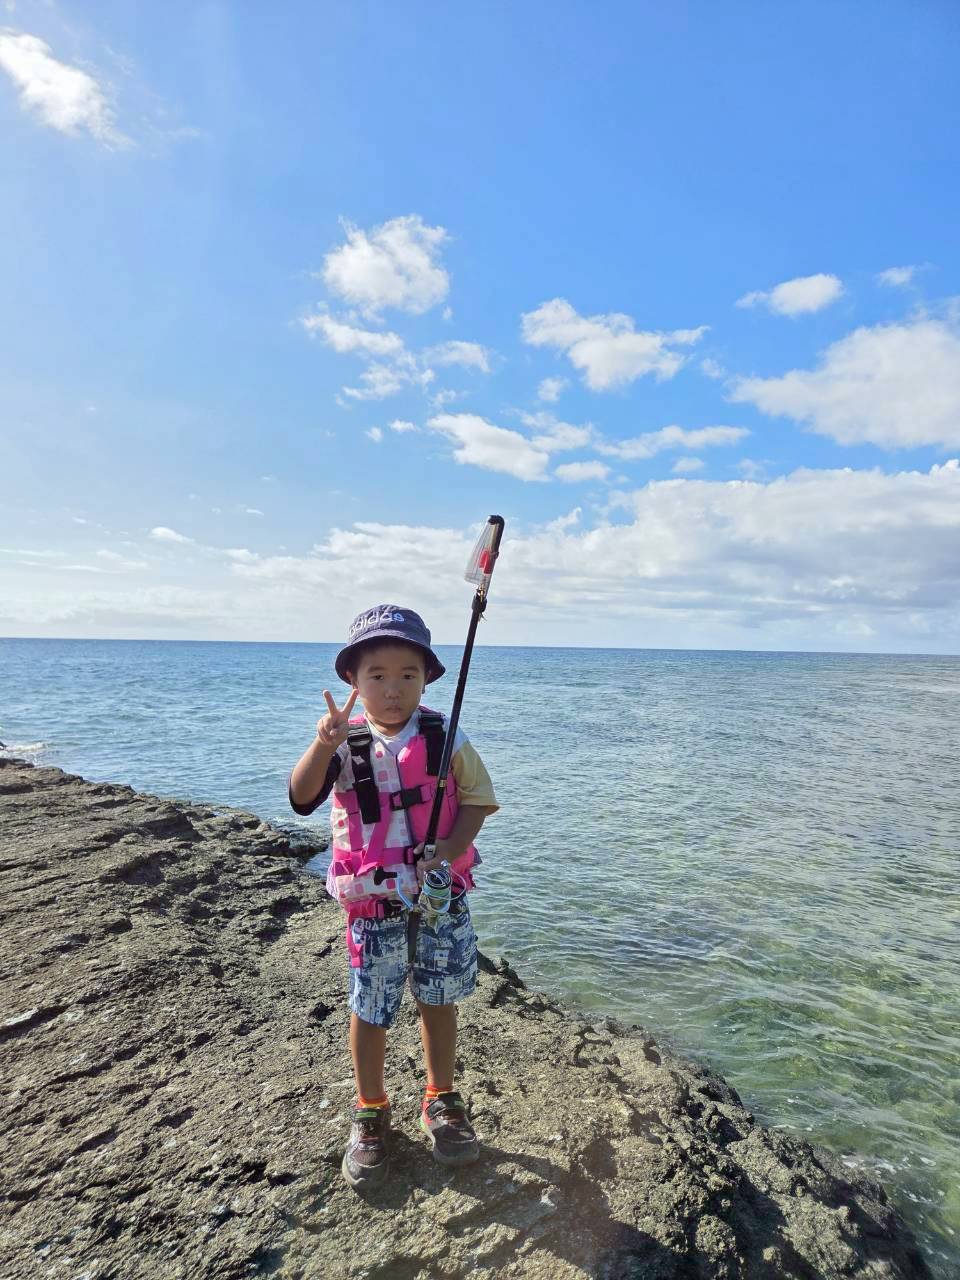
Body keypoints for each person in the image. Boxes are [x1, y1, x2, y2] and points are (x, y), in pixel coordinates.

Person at [289, 604, 498, 1189]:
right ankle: (371, 1111)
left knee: (439, 996)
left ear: (427, 678)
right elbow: (301, 798)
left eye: (408, 673)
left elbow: (479, 800)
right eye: (376, 674)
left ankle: (441, 1097)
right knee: (370, 1004)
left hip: (438, 899)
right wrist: (322, 746)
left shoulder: (447, 738)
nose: (392, 688)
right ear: (352, 682)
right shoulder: (345, 744)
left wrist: (450, 846)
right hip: (373, 904)